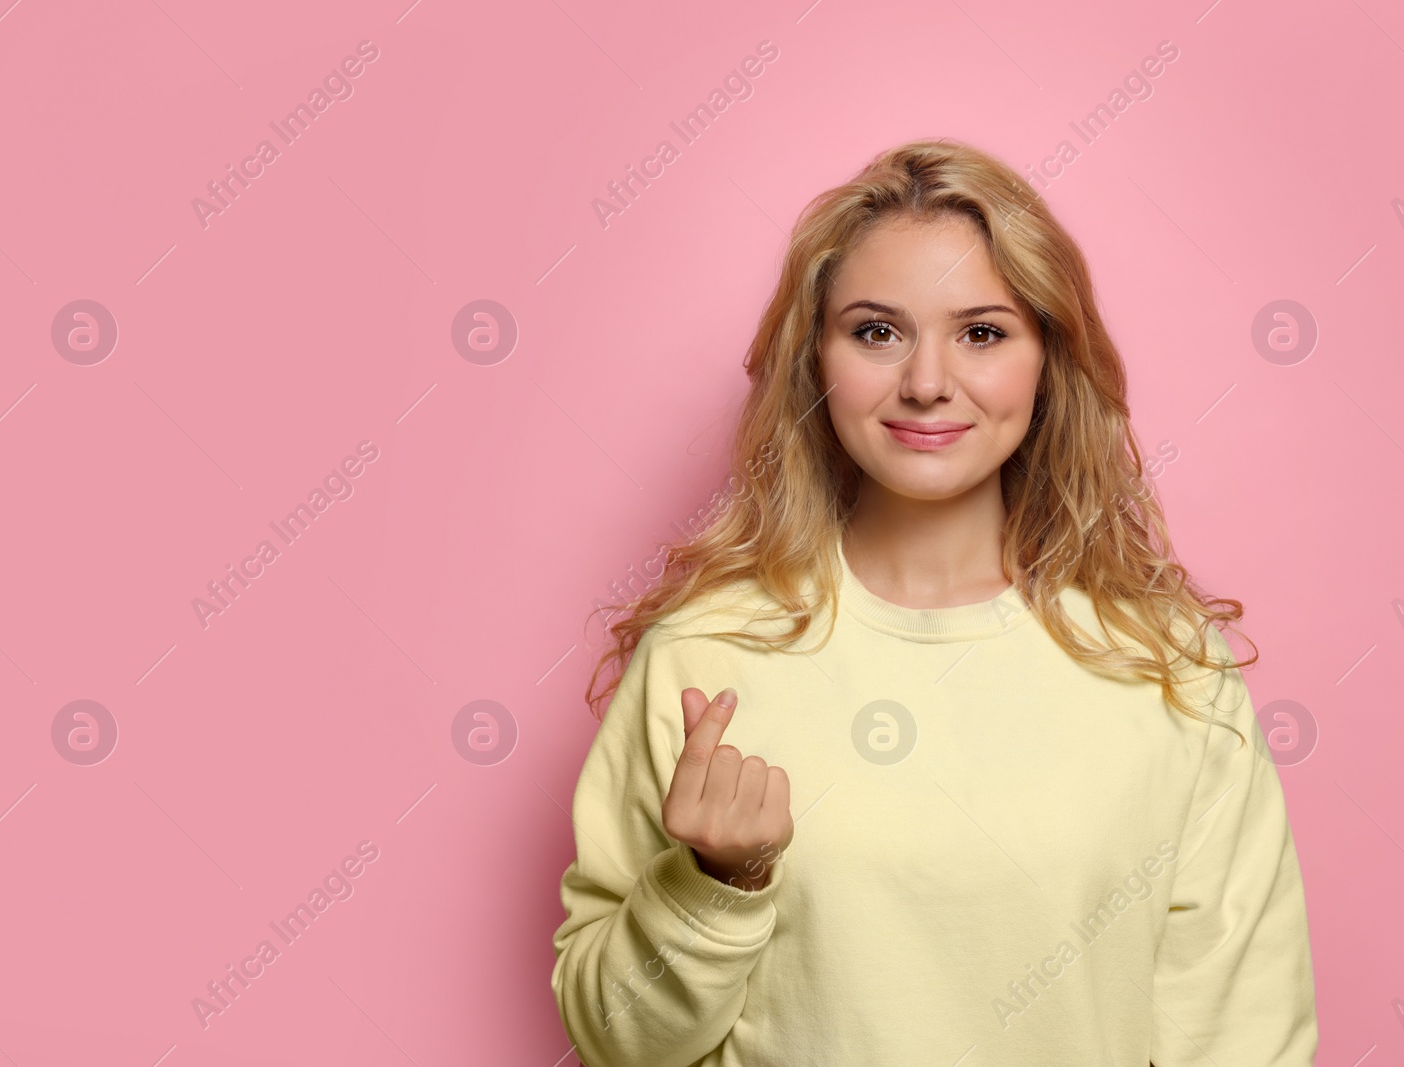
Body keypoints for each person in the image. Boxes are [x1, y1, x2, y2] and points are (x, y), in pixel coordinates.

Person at [550, 138, 1318, 1066]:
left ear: (1048, 358)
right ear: (817, 359)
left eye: (982, 333)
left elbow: (1245, 1038)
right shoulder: (704, 655)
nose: (925, 381)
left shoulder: (1168, 668)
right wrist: (719, 881)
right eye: (877, 331)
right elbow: (613, 1039)